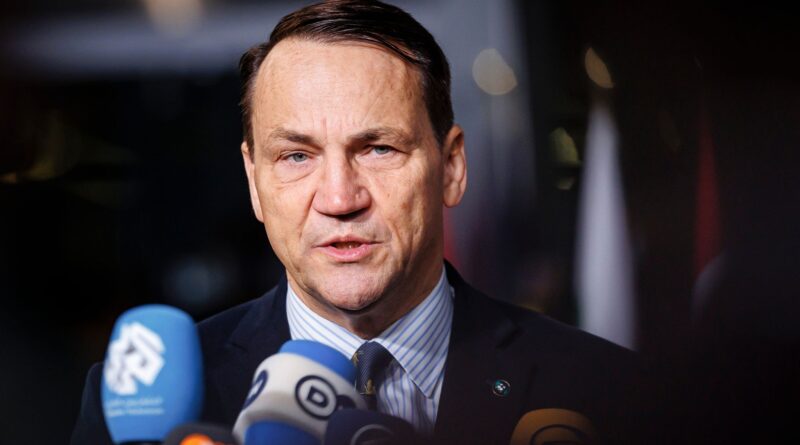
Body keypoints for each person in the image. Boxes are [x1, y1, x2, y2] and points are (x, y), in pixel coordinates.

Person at [72, 1, 637, 444]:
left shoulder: (606, 388)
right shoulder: (136, 409)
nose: (340, 199)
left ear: (452, 168)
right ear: (254, 182)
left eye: (378, 149)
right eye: (297, 156)